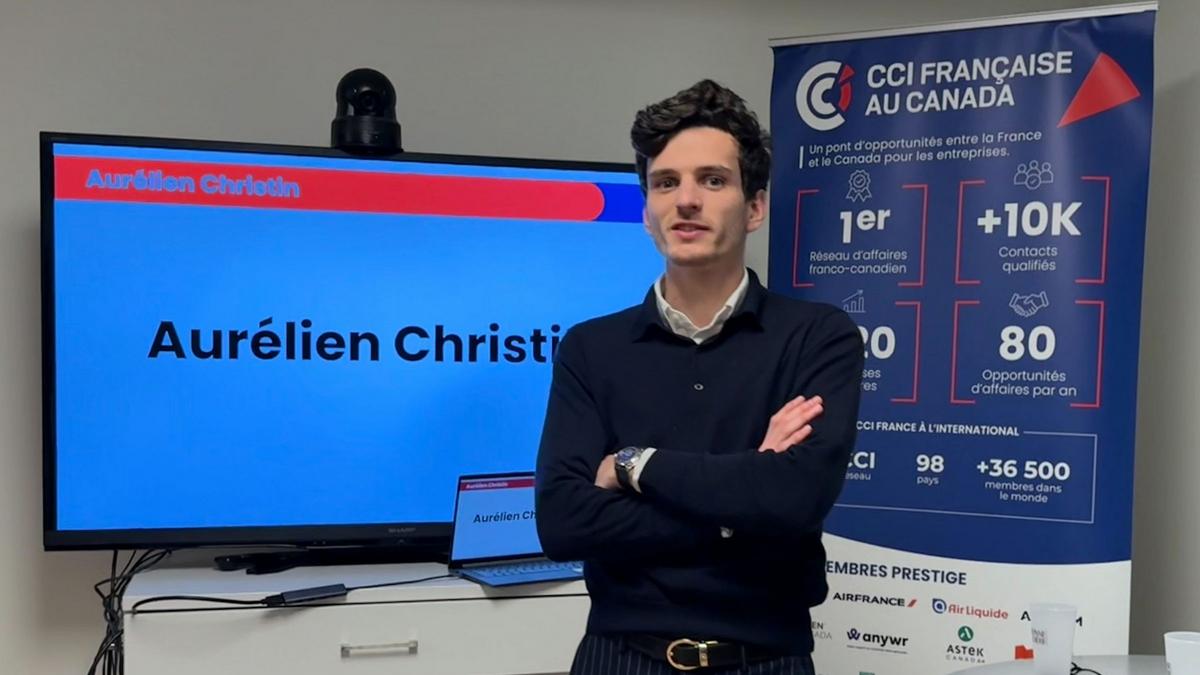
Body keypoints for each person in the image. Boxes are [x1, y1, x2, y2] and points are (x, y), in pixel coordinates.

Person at [535, 79, 864, 675]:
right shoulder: (591, 348)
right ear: (647, 212)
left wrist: (634, 465)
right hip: (620, 659)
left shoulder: (818, 337)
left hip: (767, 661)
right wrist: (745, 497)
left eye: (713, 180)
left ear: (755, 206)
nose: (686, 200)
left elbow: (795, 499)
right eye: (666, 183)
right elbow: (562, 523)